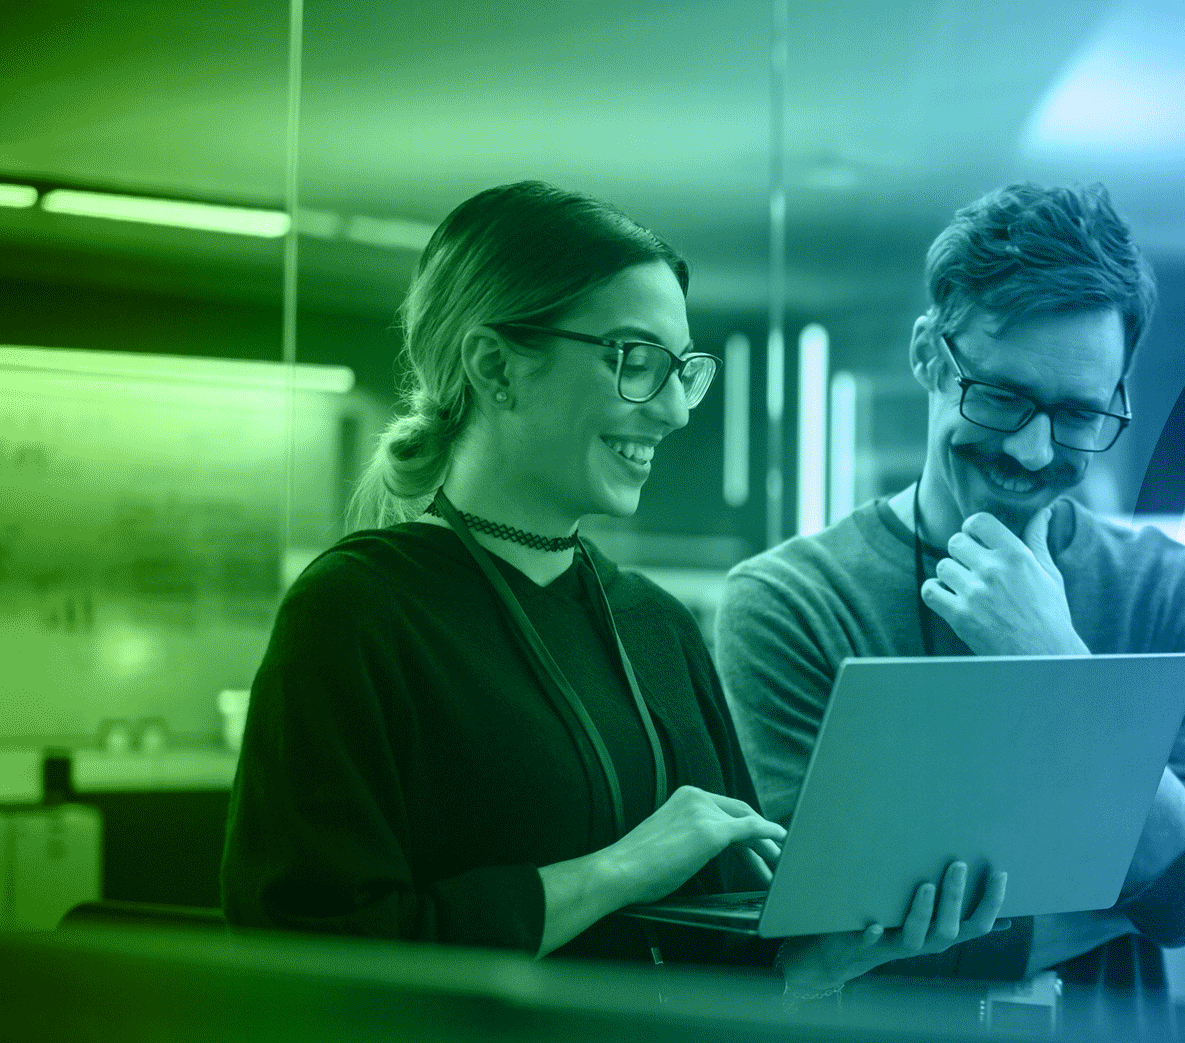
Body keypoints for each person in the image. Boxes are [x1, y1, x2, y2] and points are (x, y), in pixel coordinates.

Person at [222, 180, 1002, 982]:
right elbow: (309, 957)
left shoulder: (655, 626)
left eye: (683, 371)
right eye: (635, 360)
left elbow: (725, 965)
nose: (672, 411)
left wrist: (829, 954)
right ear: (496, 366)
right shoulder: (356, 614)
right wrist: (619, 870)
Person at [715, 183, 1185, 1008]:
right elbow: (814, 926)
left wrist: (1057, 664)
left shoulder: (1174, 595)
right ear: (930, 353)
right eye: (1000, 398)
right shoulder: (789, 602)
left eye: (1077, 414)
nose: (1033, 452)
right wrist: (1113, 902)